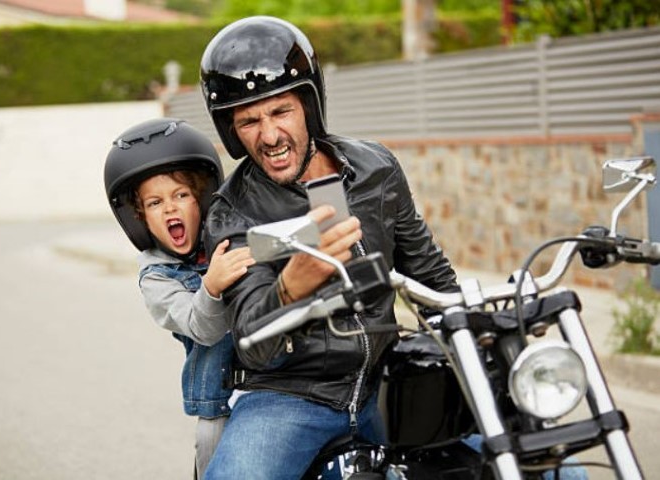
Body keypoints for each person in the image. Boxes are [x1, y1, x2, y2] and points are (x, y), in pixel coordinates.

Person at [198, 16, 458, 479]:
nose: (270, 136)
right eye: (249, 121)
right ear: (231, 131)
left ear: (309, 106)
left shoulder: (375, 167)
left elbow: (429, 273)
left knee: (527, 451)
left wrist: (474, 327)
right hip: (290, 397)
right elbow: (252, 344)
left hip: (385, 380)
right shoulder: (232, 212)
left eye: (281, 112)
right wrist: (288, 289)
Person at [103, 118, 255, 479]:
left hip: (275, 384)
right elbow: (201, 327)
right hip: (218, 403)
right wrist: (213, 286)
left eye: (181, 195)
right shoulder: (157, 279)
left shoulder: (230, 236)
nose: (170, 209)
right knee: (215, 462)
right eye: (155, 203)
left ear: (202, 198)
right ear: (139, 219)